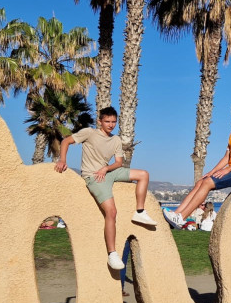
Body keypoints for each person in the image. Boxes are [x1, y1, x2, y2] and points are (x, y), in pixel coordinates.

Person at [56, 106, 157, 270]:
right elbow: (66, 141)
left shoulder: (116, 140)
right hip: (93, 177)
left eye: (113, 122)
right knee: (112, 212)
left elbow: (118, 162)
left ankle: (140, 212)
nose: (111, 125)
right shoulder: (89, 133)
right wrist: (62, 160)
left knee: (143, 174)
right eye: (107, 121)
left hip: (108, 172)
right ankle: (112, 254)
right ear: (100, 121)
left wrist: (106, 168)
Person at [167, 101, 231, 229]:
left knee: (207, 183)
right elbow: (226, 157)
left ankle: (181, 218)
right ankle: (176, 214)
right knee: (201, 182)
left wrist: (227, 170)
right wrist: (212, 171)